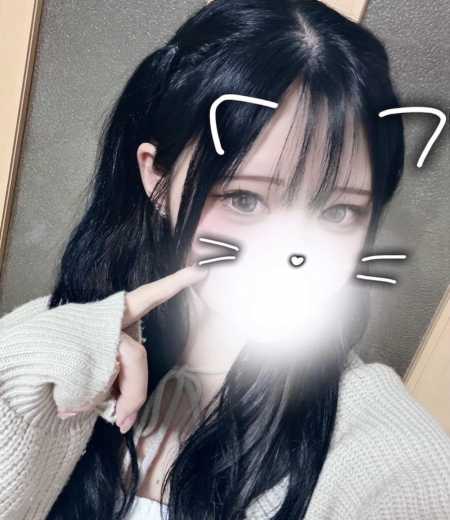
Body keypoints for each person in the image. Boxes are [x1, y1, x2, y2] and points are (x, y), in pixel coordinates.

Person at [1, 0, 449, 519]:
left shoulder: (388, 460)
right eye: (244, 200)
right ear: (157, 177)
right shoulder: (44, 350)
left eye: (338, 212)